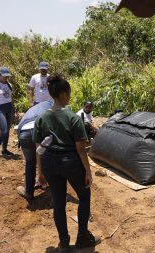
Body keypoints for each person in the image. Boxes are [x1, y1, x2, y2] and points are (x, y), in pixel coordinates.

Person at [33, 74, 100, 251]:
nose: (69, 96)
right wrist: (87, 170)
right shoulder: (73, 118)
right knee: (84, 197)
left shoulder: (41, 118)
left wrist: (40, 172)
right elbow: (80, 148)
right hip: (69, 161)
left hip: (49, 162)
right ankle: (82, 237)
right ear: (63, 94)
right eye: (69, 93)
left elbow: (39, 148)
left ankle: (63, 243)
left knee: (59, 202)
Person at [16, 101, 53, 202]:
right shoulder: (52, 105)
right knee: (47, 157)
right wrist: (40, 173)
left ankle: (29, 193)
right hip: (38, 130)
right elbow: (39, 148)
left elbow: (18, 129)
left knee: (30, 162)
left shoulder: (32, 109)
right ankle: (49, 184)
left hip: (23, 131)